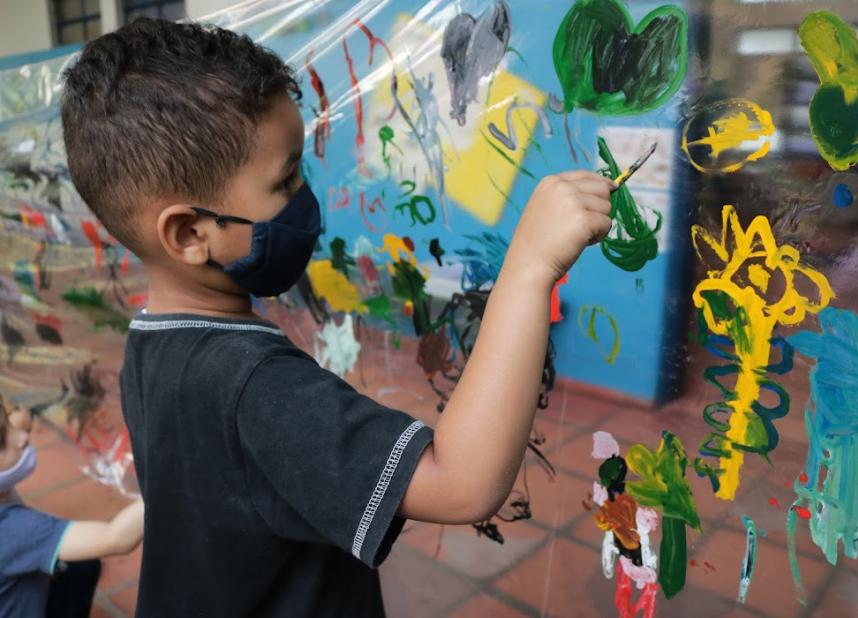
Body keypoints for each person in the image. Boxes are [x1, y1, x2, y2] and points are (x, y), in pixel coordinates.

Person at [59, 17, 614, 617]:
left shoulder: (152, 342)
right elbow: (461, 483)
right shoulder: (252, 385)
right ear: (191, 233)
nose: (304, 194)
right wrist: (529, 267)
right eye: (286, 178)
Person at [0, 399, 144, 618]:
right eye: (2, 440)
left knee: (82, 566)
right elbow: (115, 538)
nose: (21, 438)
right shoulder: (15, 530)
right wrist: (169, 483)